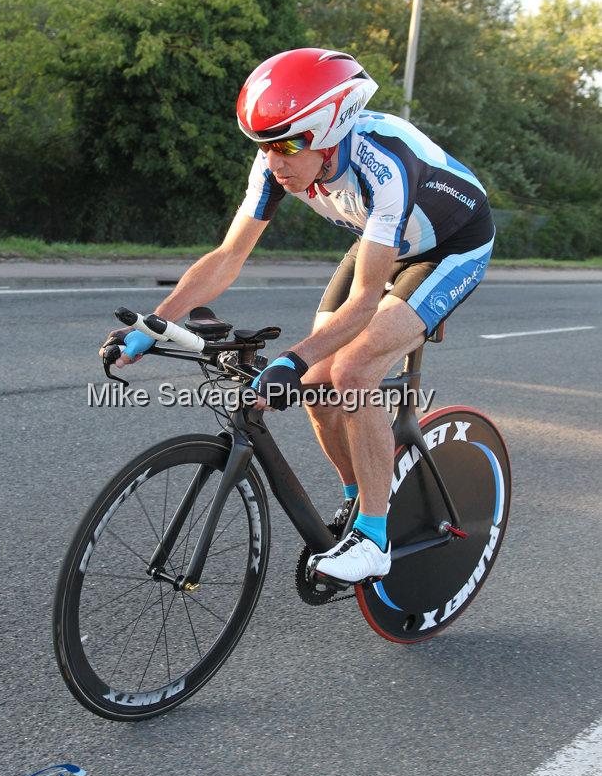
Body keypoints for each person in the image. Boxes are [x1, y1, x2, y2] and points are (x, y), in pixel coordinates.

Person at [100, 48, 495, 585]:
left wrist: (290, 357)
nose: (274, 160)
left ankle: (374, 542)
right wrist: (155, 323)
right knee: (315, 385)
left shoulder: (384, 167)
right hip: (383, 242)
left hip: (450, 246)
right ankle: (358, 502)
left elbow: (362, 303)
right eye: (264, 145)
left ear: (330, 132)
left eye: (287, 144)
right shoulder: (274, 165)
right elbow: (227, 257)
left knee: (353, 373)